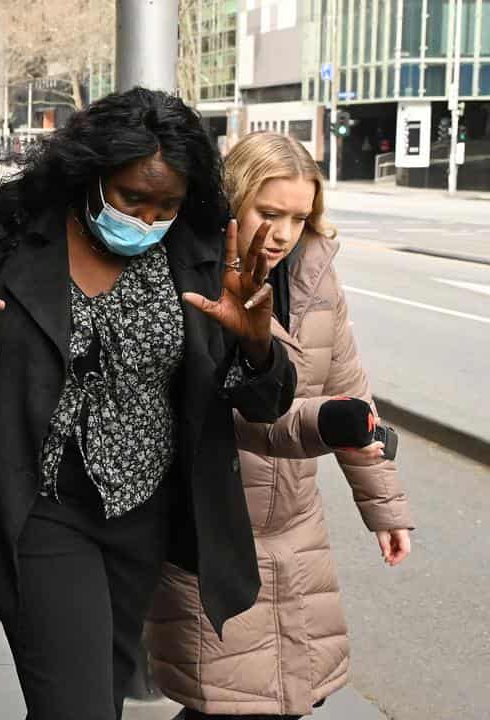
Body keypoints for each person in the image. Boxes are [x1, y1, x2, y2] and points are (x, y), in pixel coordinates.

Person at [0, 88, 297, 720]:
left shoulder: (207, 248)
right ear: (91, 174)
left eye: (168, 203)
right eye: (133, 198)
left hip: (143, 512)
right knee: (75, 705)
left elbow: (266, 403)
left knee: (100, 693)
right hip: (39, 505)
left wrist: (257, 344)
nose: (150, 216)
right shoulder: (11, 232)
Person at [144, 132, 414, 720]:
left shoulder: (316, 274)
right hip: (216, 528)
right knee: (228, 701)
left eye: (300, 215)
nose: (285, 232)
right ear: (234, 200)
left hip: (295, 527)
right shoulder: (192, 272)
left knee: (292, 697)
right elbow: (228, 413)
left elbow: (350, 394)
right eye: (270, 213)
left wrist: (385, 510)